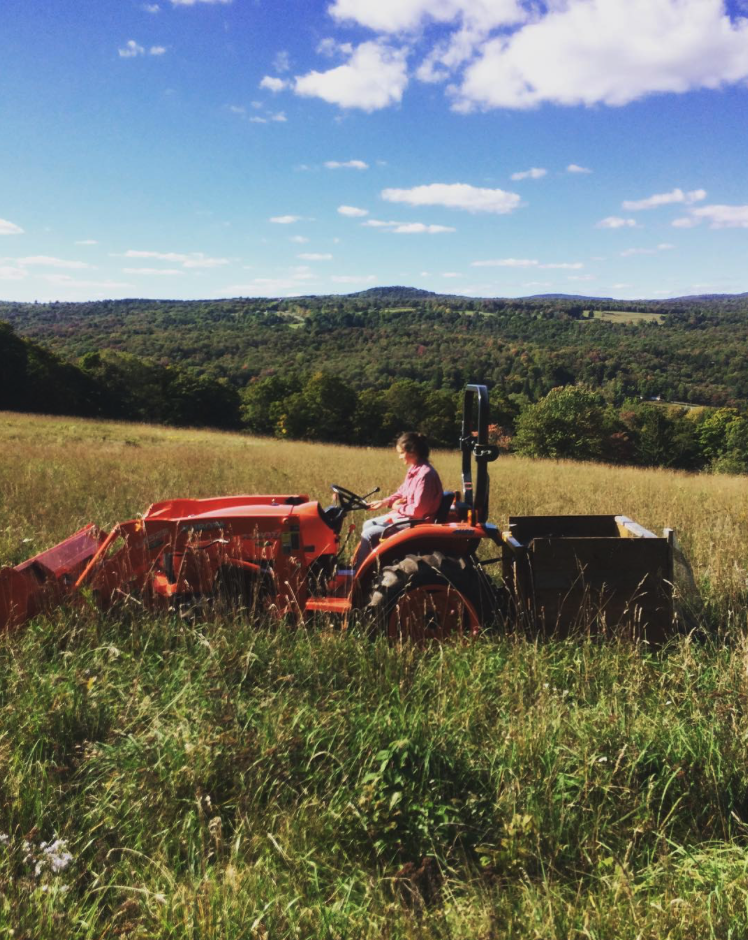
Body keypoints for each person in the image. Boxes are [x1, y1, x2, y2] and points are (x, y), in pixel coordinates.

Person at [353, 431, 443, 568]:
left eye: (401, 453)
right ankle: (374, 566)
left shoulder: (425, 475)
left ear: (412, 451)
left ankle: (358, 577)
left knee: (369, 534)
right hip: (407, 517)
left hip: (418, 522)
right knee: (367, 524)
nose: (400, 457)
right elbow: (402, 492)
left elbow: (419, 511)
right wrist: (384, 502)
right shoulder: (414, 470)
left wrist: (395, 507)